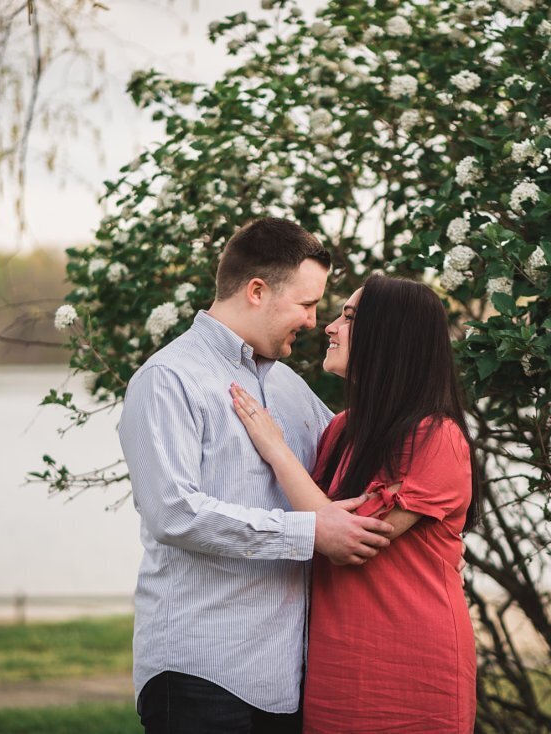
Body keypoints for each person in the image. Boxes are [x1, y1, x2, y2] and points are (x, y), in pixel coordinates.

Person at [117, 218, 395, 734]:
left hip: (286, 680)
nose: (315, 322)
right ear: (257, 291)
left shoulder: (289, 386)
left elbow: (349, 468)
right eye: (307, 304)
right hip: (198, 672)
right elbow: (173, 512)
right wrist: (311, 532)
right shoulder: (168, 379)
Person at [229, 273, 480, 733]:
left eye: (348, 317)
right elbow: (315, 516)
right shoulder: (343, 429)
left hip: (411, 665)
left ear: (390, 336)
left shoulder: (436, 437)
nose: (329, 326)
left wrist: (275, 447)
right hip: (335, 665)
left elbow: (347, 539)